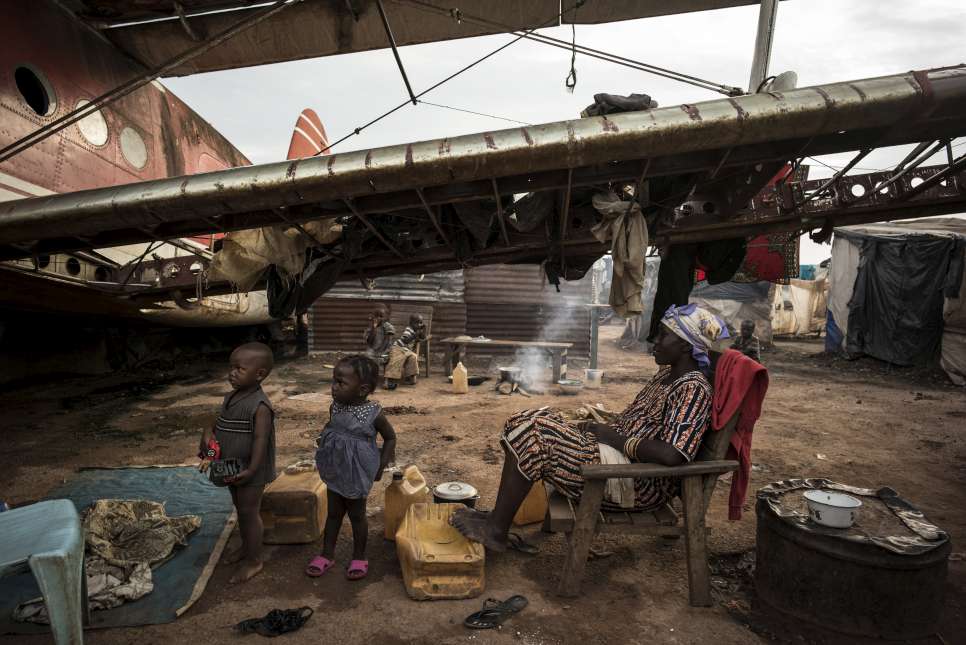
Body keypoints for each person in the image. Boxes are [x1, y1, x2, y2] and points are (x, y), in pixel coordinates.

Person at [451, 304, 727, 552]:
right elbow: (641, 423)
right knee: (522, 419)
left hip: (636, 482)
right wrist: (600, 430)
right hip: (614, 457)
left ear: (686, 347)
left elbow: (673, 455)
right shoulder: (667, 375)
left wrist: (613, 438)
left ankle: (497, 531)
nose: (655, 341)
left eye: (664, 335)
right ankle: (497, 518)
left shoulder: (693, 389)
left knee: (534, 434)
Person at [306, 355, 396, 580]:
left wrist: (381, 464)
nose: (334, 387)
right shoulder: (336, 406)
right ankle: (327, 554)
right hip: (335, 468)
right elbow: (332, 425)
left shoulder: (374, 414)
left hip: (357, 472)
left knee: (357, 515)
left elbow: (390, 438)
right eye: (333, 381)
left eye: (341, 383)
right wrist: (323, 438)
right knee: (334, 513)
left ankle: (359, 557)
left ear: (362, 389)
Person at [201, 342, 277, 583]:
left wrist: (252, 470)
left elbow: (261, 440)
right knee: (240, 509)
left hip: (250, 468)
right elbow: (217, 425)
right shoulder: (230, 397)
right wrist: (207, 439)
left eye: (239, 369)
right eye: (231, 367)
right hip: (230, 464)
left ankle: (254, 560)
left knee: (248, 511)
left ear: (259, 375)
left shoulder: (260, 406)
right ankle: (247, 547)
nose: (231, 373)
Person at [385, 314, 427, 389]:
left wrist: (424, 329)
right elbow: (406, 340)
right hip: (398, 347)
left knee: (413, 357)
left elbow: (423, 337)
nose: (419, 325)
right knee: (396, 360)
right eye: (417, 323)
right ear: (411, 323)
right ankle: (390, 380)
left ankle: (410, 377)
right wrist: (415, 334)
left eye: (420, 323)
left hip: (407, 350)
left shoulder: (417, 330)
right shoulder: (409, 329)